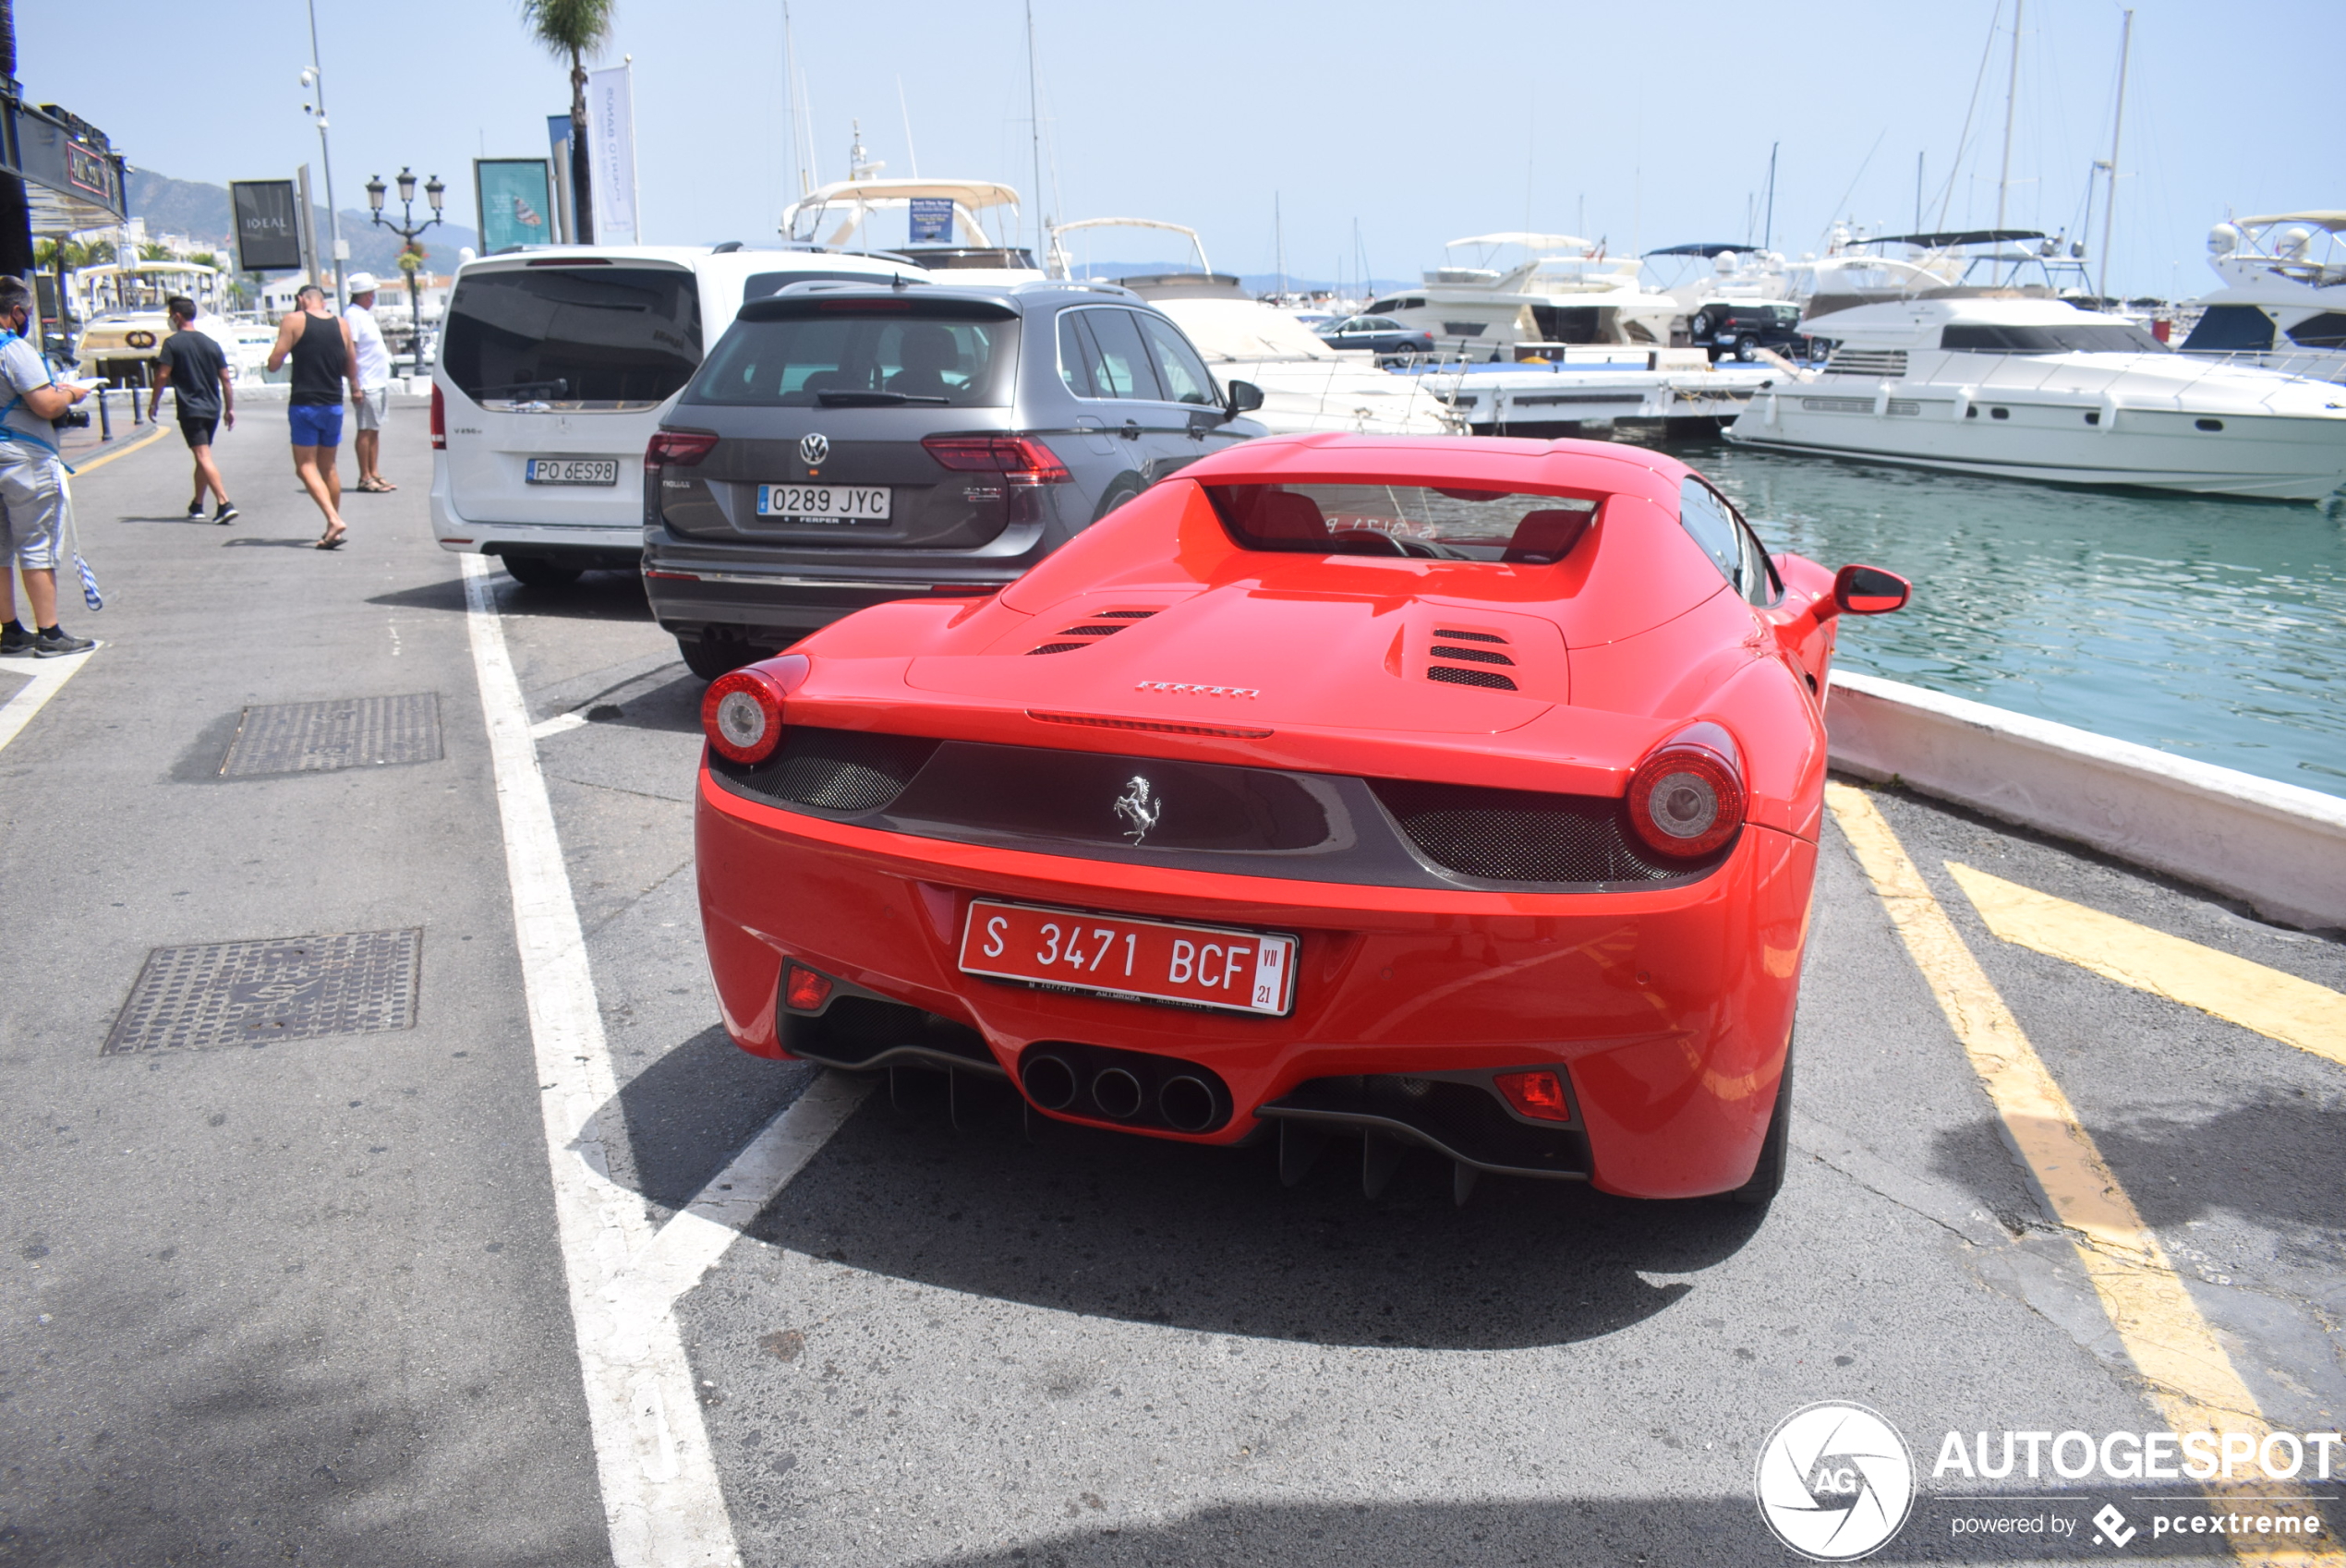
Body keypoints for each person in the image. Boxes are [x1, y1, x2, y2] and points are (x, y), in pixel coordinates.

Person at [0, 275, 96, 657]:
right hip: (23, 457)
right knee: (36, 541)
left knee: (0, 548)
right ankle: (50, 633)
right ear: (17, 311)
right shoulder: (13, 349)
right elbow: (46, 404)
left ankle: (8, 630)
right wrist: (73, 392)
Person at [264, 283, 358, 549]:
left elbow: (275, 362)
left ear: (300, 299)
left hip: (305, 402)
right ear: (323, 301)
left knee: (305, 467)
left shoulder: (293, 320)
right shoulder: (341, 324)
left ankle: (333, 518)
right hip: (333, 403)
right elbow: (351, 366)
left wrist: (275, 360)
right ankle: (333, 528)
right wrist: (355, 388)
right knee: (328, 466)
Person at [147, 296, 237, 525]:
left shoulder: (172, 343)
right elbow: (226, 379)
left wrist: (154, 402)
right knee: (202, 456)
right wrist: (230, 409)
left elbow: (162, 375)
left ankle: (224, 502)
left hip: (191, 407)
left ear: (176, 316)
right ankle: (197, 504)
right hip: (212, 408)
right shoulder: (211, 343)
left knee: (203, 455)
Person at [342, 271, 394, 492]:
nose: (373, 297)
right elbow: (349, 349)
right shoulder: (353, 316)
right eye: (371, 293)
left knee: (374, 429)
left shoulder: (364, 315)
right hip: (366, 382)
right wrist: (355, 383)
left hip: (377, 381)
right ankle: (364, 476)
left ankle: (374, 472)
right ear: (364, 295)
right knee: (365, 429)